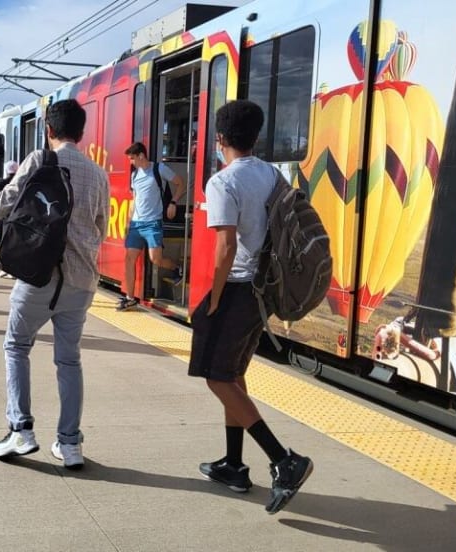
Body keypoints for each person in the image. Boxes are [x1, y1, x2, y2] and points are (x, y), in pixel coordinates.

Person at [191, 99, 312, 514]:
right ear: (256, 136)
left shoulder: (223, 182)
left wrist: (215, 297)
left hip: (240, 287)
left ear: (219, 138)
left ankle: (284, 460)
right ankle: (233, 465)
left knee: (216, 378)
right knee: (233, 375)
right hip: (265, 289)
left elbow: (225, 247)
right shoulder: (270, 173)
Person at [0, 99, 109, 469]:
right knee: (69, 360)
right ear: (82, 132)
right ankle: (70, 444)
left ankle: (20, 430)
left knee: (16, 346)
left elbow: (2, 207)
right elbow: (100, 227)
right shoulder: (98, 173)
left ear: (49, 130)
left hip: (39, 275)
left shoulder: (40, 160)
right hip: (81, 280)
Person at [117, 141, 186, 311]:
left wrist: (173, 202)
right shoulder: (134, 176)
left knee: (155, 259)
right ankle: (130, 298)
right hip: (136, 224)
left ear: (141, 155)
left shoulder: (159, 169)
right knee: (129, 259)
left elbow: (180, 183)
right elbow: (134, 201)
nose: (131, 162)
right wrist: (127, 223)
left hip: (153, 223)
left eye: (132, 159)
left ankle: (177, 268)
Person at [0, 160, 18, 278]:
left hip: (3, 216)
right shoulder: (22, 183)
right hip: (16, 217)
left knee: (1, 240)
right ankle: (12, 269)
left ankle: (4, 266)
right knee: (13, 242)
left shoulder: (1, 184)